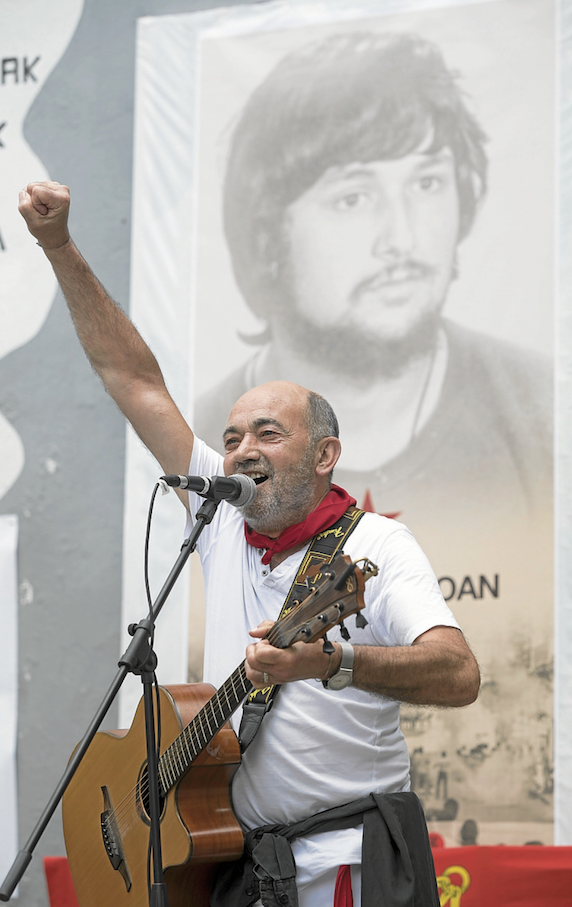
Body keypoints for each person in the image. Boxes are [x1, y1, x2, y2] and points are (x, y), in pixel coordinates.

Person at [19, 182, 480, 906]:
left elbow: (459, 673)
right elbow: (131, 379)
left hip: (347, 865)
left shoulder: (378, 546)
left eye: (268, 433)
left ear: (325, 454)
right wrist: (57, 246)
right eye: (231, 438)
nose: (239, 450)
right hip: (248, 870)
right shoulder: (220, 520)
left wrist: (334, 660)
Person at [195, 30, 552, 522]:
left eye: (427, 184)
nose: (402, 239)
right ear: (267, 232)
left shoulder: (546, 411)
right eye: (353, 198)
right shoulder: (203, 447)